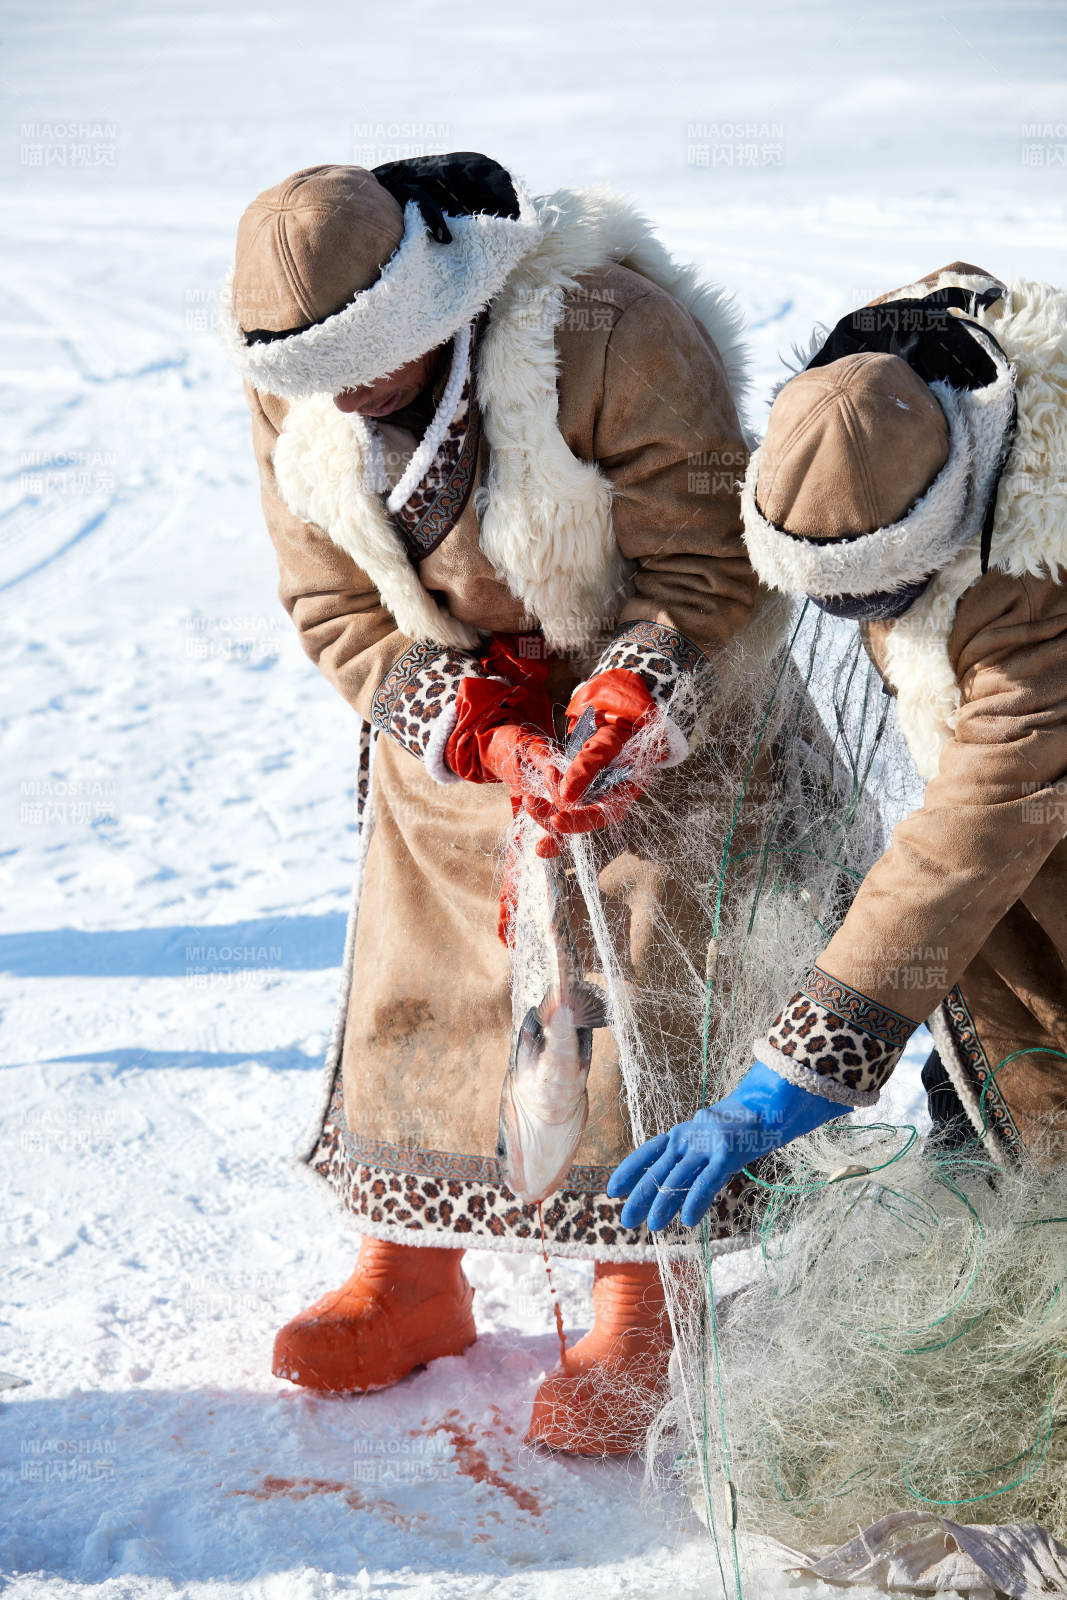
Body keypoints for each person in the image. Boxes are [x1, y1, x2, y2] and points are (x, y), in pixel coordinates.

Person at [219, 152, 767, 1452]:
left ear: (439, 298)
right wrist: (466, 721)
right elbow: (331, 602)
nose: (346, 390)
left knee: (636, 976)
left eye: (378, 356)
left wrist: (621, 708)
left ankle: (643, 1299)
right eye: (316, 374)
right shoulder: (289, 376)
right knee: (421, 973)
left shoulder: (609, 332)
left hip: (650, 683)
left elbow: (709, 566)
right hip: (458, 692)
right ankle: (410, 1277)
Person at [611, 262, 1067, 1230]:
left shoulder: (1033, 577)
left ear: (947, 513)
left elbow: (974, 826)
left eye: (879, 596)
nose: (859, 622)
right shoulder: (890, 384)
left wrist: (786, 1077)